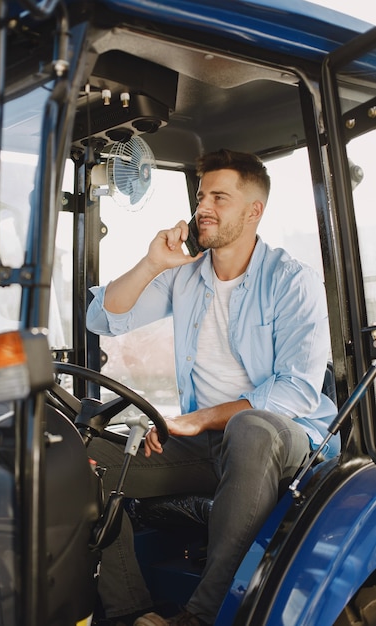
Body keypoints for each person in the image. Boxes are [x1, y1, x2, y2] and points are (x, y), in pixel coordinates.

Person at [86, 149, 338, 626]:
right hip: (207, 446)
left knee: (251, 428)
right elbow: (104, 318)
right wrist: (151, 263)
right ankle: (128, 612)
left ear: (253, 210)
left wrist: (197, 417)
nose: (204, 207)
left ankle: (202, 618)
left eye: (219, 197)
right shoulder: (185, 275)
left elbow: (298, 390)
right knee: (83, 455)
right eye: (202, 195)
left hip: (287, 443)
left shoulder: (291, 280)